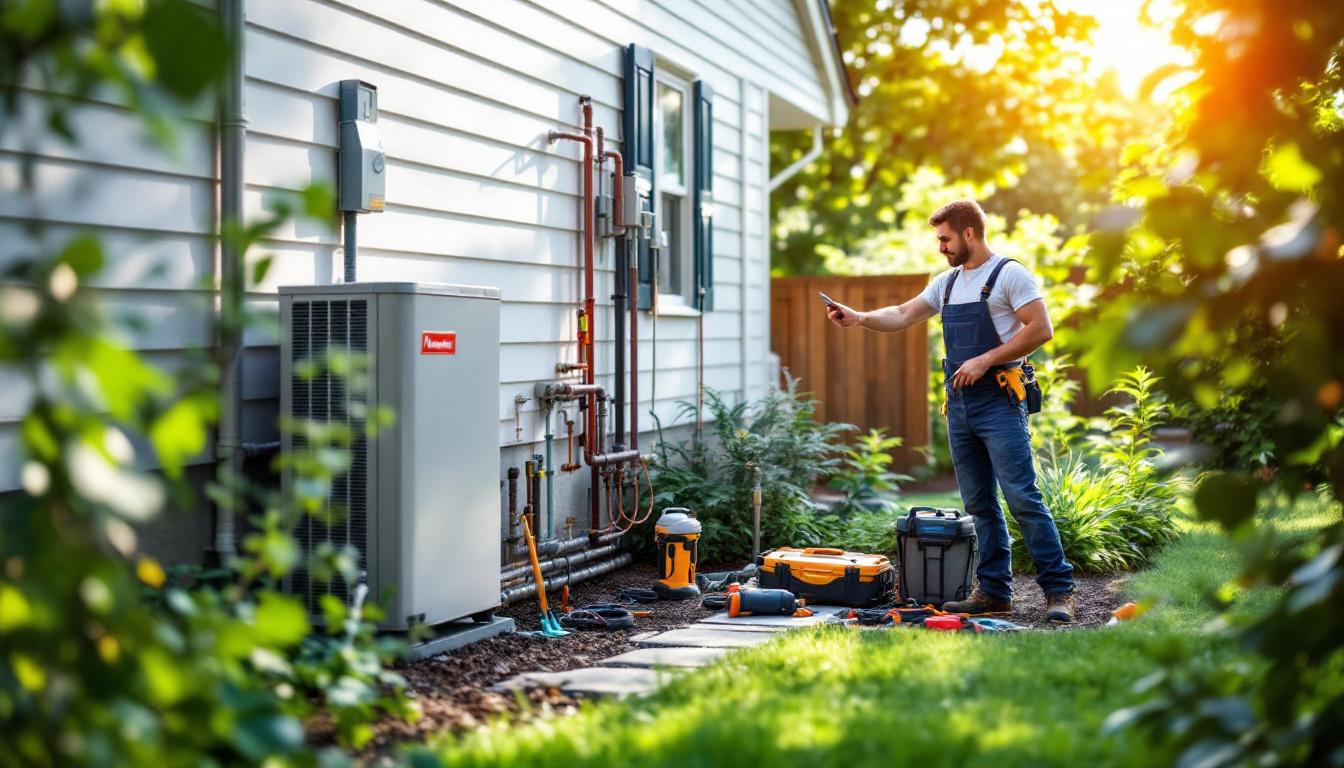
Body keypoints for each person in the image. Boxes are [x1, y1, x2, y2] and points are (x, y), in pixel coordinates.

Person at [826, 199, 1076, 622]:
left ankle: (1059, 592)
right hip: (960, 404)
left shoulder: (1008, 275)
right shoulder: (946, 283)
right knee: (979, 505)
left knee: (1022, 498)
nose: (940, 246)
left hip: (999, 399)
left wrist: (985, 359)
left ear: (969, 234)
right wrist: (860, 316)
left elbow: (1041, 328)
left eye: (944, 238)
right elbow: (904, 313)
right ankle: (995, 592)